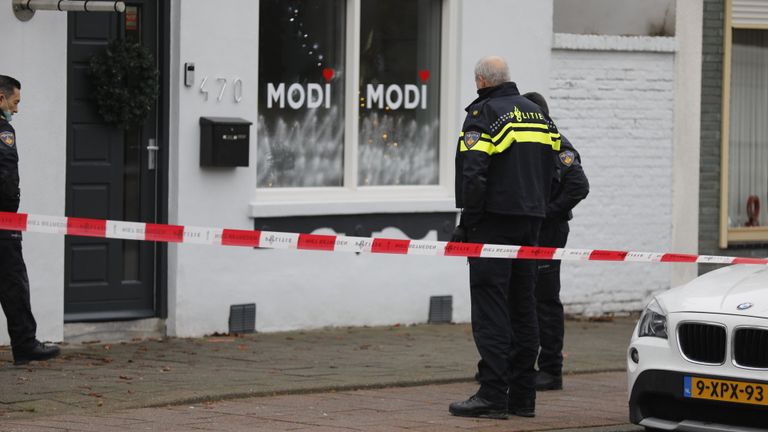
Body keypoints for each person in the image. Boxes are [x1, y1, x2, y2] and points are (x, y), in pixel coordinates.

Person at [449, 57, 561, 419]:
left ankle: (493, 394)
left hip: (493, 225)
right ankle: (523, 397)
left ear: (481, 80)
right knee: (523, 306)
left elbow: (474, 173)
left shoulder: (483, 114)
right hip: (532, 224)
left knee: (491, 308)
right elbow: (558, 167)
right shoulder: (537, 114)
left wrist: (469, 221)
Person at [523, 92, 589, 391]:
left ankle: (551, 369)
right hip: (533, 230)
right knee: (526, 297)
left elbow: (579, 186)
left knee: (545, 300)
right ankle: (520, 365)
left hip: (548, 232)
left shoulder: (557, 143)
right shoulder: (533, 143)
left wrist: (547, 214)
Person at [0, 75, 60, 366]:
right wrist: (11, 217)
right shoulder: (3, 131)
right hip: (2, 223)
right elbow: (7, 175)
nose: (17, 109)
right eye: (16, 102)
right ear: (1, 99)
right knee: (13, 283)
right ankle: (25, 345)